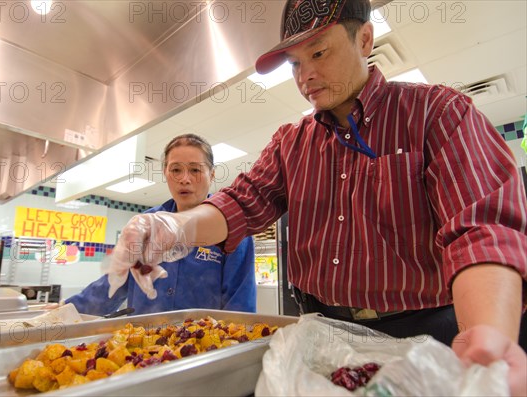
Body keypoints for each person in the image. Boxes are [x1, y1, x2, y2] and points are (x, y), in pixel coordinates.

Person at [109, 1, 526, 395]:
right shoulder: (292, 143)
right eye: (294, 64)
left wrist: (489, 332)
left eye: (319, 53)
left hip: (422, 336)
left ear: (364, 39)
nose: (304, 76)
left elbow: (479, 231)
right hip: (320, 333)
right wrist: (172, 225)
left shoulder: (437, 113)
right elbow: (242, 202)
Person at [65, 134, 256, 316]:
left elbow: (240, 304)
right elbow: (113, 283)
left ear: (212, 175)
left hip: (204, 345)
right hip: (142, 343)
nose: (184, 179)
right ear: (165, 173)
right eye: (175, 170)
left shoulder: (231, 227)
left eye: (195, 170)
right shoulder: (146, 224)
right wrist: (66, 311)